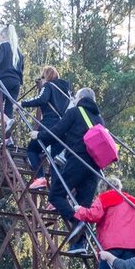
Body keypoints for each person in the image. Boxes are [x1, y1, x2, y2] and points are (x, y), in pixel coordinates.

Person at [41, 88, 105, 251]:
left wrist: (38, 135)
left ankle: (75, 221)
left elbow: (56, 131)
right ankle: (79, 244)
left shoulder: (75, 112)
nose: (74, 100)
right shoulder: (99, 119)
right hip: (95, 167)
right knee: (83, 204)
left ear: (80, 98)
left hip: (77, 160)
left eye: (75, 98)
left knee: (56, 195)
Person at [20, 66, 71, 187]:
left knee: (32, 150)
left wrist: (22, 103)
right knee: (55, 161)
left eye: (42, 77)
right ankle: (56, 193)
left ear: (46, 77)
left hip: (49, 123)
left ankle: (41, 177)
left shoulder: (48, 86)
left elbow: (42, 99)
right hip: (62, 126)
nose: (41, 80)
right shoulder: (66, 92)